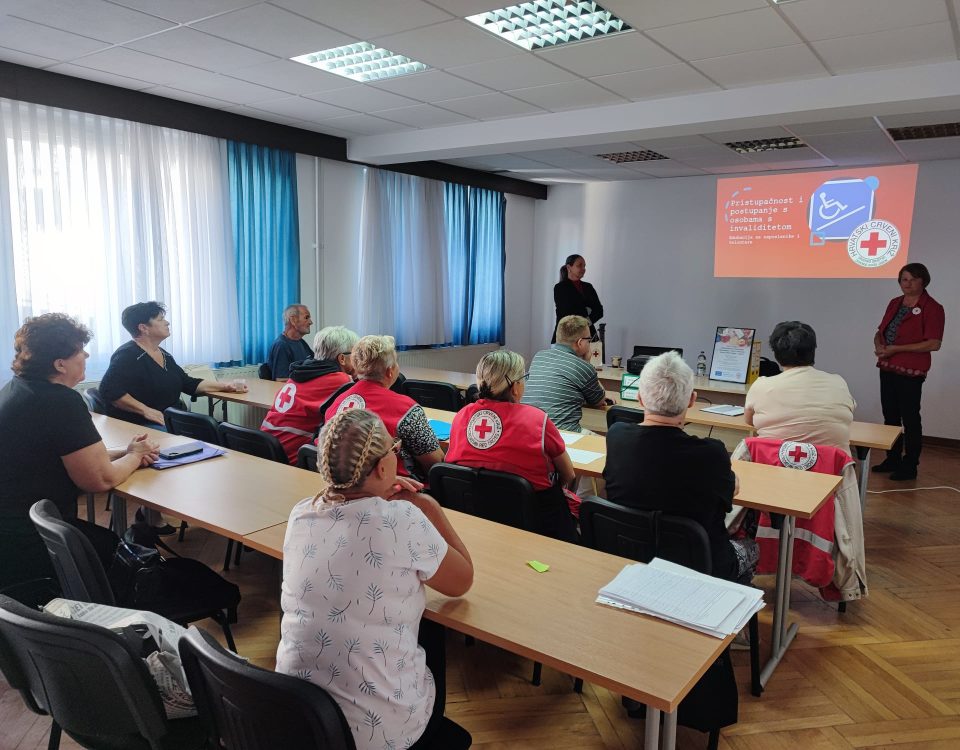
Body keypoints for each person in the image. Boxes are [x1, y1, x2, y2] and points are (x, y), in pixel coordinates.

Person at [276, 409, 473, 750]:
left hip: (299, 718)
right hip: (376, 736)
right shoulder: (404, 518)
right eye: (394, 449)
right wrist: (426, 505)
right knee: (433, 629)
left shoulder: (301, 513)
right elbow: (462, 581)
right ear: (383, 467)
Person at [0, 313, 159, 600]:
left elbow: (61, 455)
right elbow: (99, 479)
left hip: (14, 525)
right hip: (29, 538)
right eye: (80, 351)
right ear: (60, 364)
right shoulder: (60, 401)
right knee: (119, 558)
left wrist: (124, 452)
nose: (86, 355)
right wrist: (136, 456)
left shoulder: (18, 388)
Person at [603, 351, 757, 585]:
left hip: (631, 555)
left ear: (640, 399)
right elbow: (729, 497)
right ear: (692, 400)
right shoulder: (712, 454)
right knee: (752, 547)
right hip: (701, 565)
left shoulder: (616, 436)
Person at [445, 350, 578, 542]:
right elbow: (569, 474)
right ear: (515, 387)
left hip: (476, 518)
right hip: (536, 523)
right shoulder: (538, 420)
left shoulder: (461, 416)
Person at [99, 301, 248, 428]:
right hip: (143, 424)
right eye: (160, 319)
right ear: (143, 328)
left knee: (214, 430)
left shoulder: (163, 354)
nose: (167, 322)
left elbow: (187, 383)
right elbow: (108, 390)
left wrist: (225, 386)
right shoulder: (128, 355)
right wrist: (145, 410)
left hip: (170, 418)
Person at [325, 335, 444, 482]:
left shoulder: (337, 402)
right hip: (391, 487)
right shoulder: (406, 409)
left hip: (344, 484)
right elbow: (435, 462)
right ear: (390, 371)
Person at [872, 263, 945, 480]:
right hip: (887, 365)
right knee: (890, 415)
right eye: (904, 279)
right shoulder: (895, 302)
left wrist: (896, 349)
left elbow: (934, 343)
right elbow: (880, 331)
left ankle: (910, 464)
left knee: (910, 418)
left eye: (913, 279)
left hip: (911, 370)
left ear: (924, 281)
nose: (908, 283)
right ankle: (892, 458)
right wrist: (879, 345)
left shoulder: (933, 308)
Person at [744, 321, 856, 456]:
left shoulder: (761, 385)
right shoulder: (838, 382)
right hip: (830, 467)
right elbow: (848, 414)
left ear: (776, 353)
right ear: (813, 351)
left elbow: (749, 421)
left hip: (773, 465)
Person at [261, 325, 358, 464]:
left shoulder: (299, 371)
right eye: (355, 355)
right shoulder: (341, 380)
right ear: (342, 358)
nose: (357, 360)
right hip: (292, 458)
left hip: (265, 448)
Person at [522, 315, 610, 433]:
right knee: (604, 442)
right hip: (562, 434)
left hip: (530, 430)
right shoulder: (582, 366)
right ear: (580, 343)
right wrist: (588, 364)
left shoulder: (539, 356)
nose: (589, 343)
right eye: (589, 340)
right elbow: (599, 401)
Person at [552, 254, 603, 343]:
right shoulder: (560, 288)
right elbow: (566, 312)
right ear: (569, 267)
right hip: (566, 335)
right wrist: (587, 310)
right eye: (579, 266)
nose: (583, 269)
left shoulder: (588, 287)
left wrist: (585, 321)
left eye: (584, 266)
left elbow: (599, 311)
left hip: (588, 334)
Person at [267, 304, 314, 379]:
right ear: (293, 320)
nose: (311, 322)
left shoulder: (301, 342)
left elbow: (315, 365)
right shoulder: (281, 345)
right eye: (306, 317)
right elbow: (281, 380)